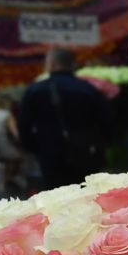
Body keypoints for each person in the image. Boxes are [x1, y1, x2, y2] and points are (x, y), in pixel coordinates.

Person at [16, 46, 112, 189]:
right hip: (85, 152)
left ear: (52, 64)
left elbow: (24, 125)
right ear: (71, 64)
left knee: (54, 198)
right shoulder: (89, 89)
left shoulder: (36, 90)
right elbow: (107, 121)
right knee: (85, 196)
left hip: (50, 153)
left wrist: (35, 148)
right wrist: (99, 145)